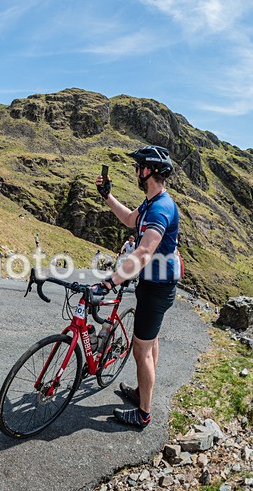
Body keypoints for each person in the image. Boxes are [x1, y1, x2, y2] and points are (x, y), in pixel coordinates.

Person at [92, 145, 181, 429]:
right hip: (153, 285)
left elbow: (143, 253)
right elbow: (130, 219)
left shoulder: (161, 208)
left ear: (149, 171)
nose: (136, 172)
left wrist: (110, 281)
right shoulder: (150, 203)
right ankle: (143, 394)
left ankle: (143, 413)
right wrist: (107, 196)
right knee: (149, 342)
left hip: (157, 289)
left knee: (140, 350)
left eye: (139, 167)